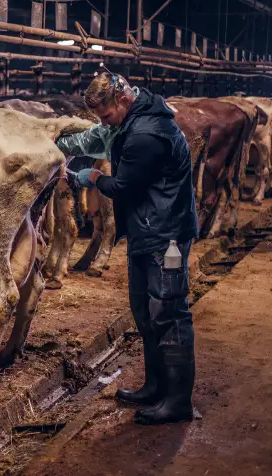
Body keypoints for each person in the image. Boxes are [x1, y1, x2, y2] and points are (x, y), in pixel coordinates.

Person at [56, 70, 198, 425]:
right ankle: (155, 385)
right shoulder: (136, 119)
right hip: (147, 231)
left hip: (166, 238)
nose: (104, 123)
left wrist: (93, 178)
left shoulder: (147, 134)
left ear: (122, 100)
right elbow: (104, 139)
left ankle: (178, 401)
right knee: (144, 310)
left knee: (168, 312)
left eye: (105, 116)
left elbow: (121, 186)